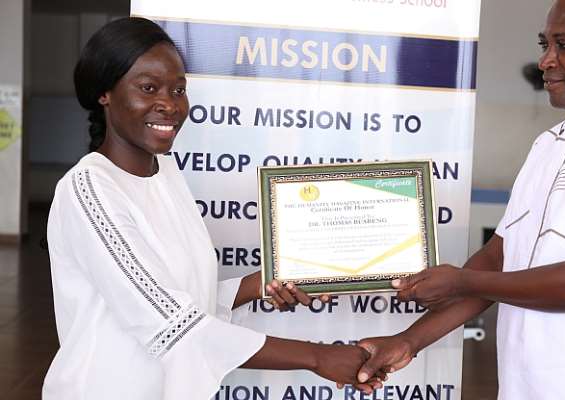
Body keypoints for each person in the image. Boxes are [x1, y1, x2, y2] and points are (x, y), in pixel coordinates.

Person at [355, 0, 565, 399]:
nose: (545, 61)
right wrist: (409, 341)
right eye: (544, 45)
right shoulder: (547, 145)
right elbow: (500, 259)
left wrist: (462, 280)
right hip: (529, 386)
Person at [43, 17, 381, 399]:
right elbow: (174, 325)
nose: (168, 105)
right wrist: (318, 357)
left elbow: (185, 295)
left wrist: (266, 281)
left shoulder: (165, 170)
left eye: (178, 90)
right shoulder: (88, 189)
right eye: (149, 88)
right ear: (105, 93)